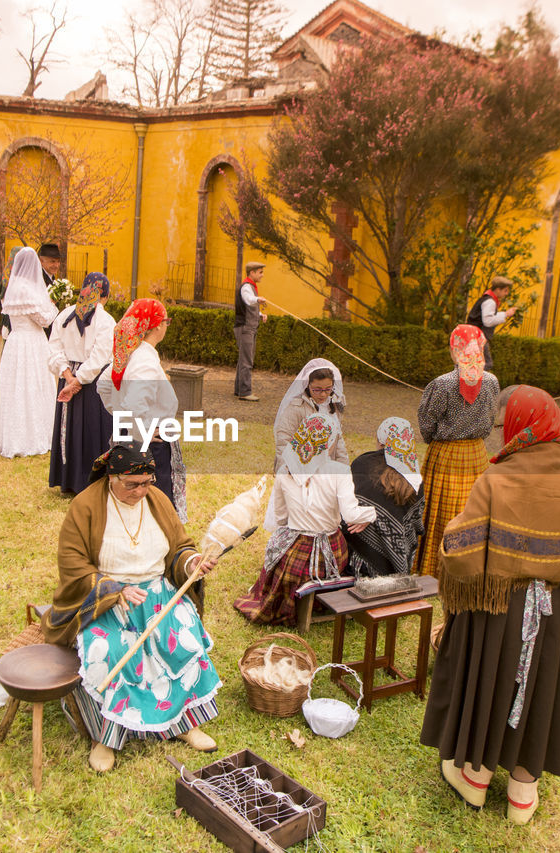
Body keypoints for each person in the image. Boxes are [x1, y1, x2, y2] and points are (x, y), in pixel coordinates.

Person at [421, 386, 560, 825]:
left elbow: (459, 550)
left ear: (518, 426)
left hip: (501, 613)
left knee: (493, 680)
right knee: (545, 688)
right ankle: (522, 791)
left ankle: (474, 779)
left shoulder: (498, 478)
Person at [41, 446, 222, 773]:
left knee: (184, 639)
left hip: (157, 594)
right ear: (112, 476)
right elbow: (73, 564)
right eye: (131, 485)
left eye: (147, 482)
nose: (141, 491)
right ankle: (105, 739)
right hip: (109, 600)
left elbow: (180, 547)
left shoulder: (158, 500)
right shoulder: (85, 506)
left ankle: (183, 723)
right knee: (109, 650)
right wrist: (114, 590)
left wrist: (192, 562)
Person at [234, 414, 375, 625]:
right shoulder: (340, 471)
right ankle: (321, 596)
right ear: (329, 442)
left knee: (279, 546)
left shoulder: (284, 470)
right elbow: (352, 516)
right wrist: (372, 513)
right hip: (331, 556)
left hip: (294, 560)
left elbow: (281, 518)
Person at [414, 325, 499, 578]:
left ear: (454, 350)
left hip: (446, 454)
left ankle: (434, 566)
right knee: (472, 509)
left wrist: (434, 440)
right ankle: (470, 564)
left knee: (442, 511)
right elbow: (491, 419)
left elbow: (426, 421)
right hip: (476, 454)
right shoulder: (492, 383)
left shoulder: (442, 384)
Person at [96, 298, 185, 515]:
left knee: (131, 499)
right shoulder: (144, 358)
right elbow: (136, 402)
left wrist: (121, 417)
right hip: (147, 446)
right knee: (153, 500)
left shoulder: (128, 353)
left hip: (130, 438)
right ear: (156, 325)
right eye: (166, 321)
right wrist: (142, 430)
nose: (166, 326)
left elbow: (103, 385)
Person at [0, 248, 61, 458]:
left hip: (15, 342)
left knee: (16, 386)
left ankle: (12, 432)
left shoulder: (13, 287)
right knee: (33, 385)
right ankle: (33, 435)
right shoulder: (28, 289)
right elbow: (43, 320)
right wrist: (54, 306)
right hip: (32, 342)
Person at [48, 272, 116, 493]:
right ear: (103, 295)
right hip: (92, 384)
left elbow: (54, 351)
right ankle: (88, 482)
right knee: (92, 429)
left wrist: (68, 376)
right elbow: (101, 357)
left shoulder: (64, 314)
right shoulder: (105, 321)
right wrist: (78, 380)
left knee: (71, 430)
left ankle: (69, 480)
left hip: (69, 380)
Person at [344, 417, 425, 577]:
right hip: (399, 558)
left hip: (358, 560)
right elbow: (415, 525)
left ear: (380, 440)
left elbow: (346, 511)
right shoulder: (415, 478)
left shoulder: (362, 463)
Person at [273, 358, 348, 467]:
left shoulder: (333, 405)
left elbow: (339, 444)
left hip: (326, 469)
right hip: (300, 467)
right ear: (308, 385)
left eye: (328, 389)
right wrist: (286, 472)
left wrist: (344, 471)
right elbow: (284, 441)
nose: (323, 394)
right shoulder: (296, 407)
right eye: (317, 390)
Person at [465, 276, 517, 370]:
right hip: (478, 337)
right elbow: (488, 321)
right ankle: (474, 383)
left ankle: (470, 381)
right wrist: (506, 314)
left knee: (473, 362)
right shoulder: (490, 302)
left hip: (474, 336)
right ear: (498, 289)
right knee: (486, 364)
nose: (506, 293)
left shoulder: (487, 299)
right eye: (505, 290)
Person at [234, 260, 268, 401]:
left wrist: (260, 315)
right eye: (260, 272)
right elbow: (249, 300)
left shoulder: (251, 286)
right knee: (247, 361)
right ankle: (245, 392)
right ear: (252, 273)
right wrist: (258, 299)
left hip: (249, 328)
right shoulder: (246, 287)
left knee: (243, 359)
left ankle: (239, 390)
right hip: (245, 328)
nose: (262, 275)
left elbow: (249, 307)